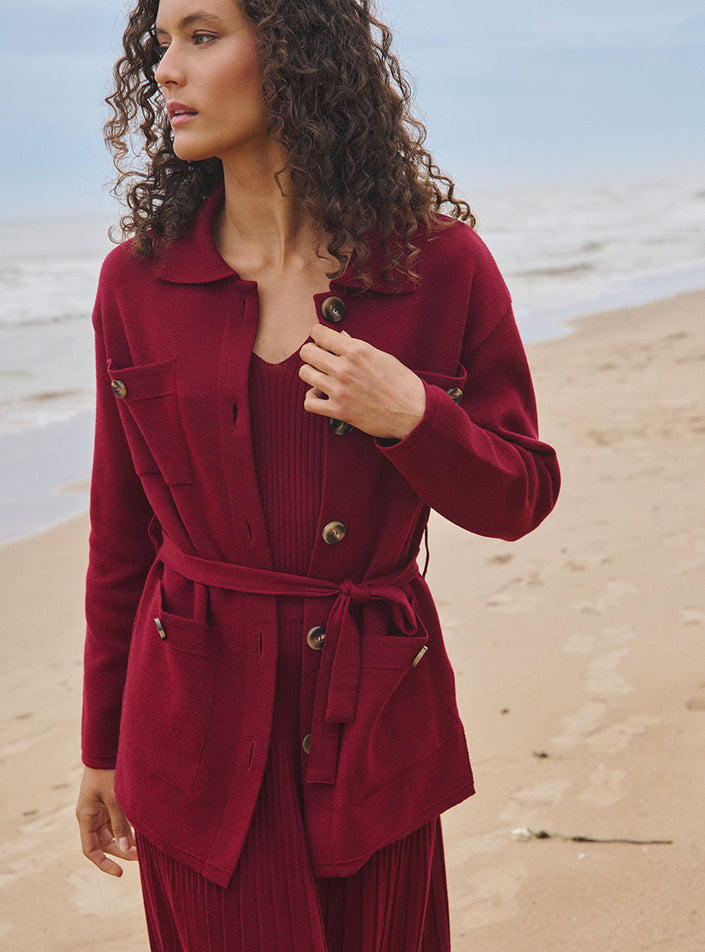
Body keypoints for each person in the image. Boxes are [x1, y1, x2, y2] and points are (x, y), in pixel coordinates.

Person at [75, 0, 560, 948]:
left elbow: (519, 497)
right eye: (159, 42)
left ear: (296, 52)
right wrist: (102, 745)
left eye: (201, 36)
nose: (164, 70)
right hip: (192, 734)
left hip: (374, 721)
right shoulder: (135, 282)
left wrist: (416, 418)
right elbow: (118, 535)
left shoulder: (438, 266)